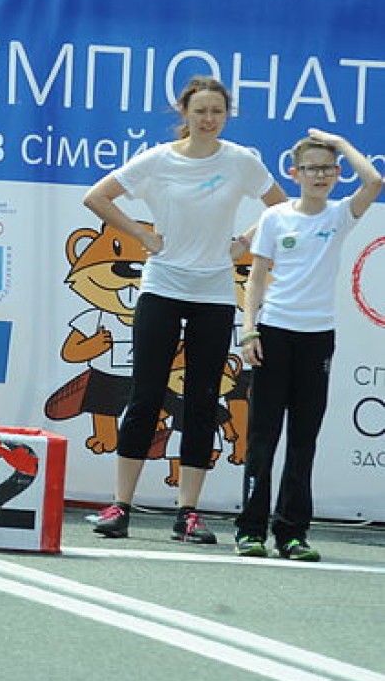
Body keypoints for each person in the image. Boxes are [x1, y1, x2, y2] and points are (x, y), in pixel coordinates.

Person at [83, 75, 285, 543]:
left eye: (217, 111)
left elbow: (280, 205)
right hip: (162, 287)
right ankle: (121, 506)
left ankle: (188, 512)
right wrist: (142, 236)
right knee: (146, 394)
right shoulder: (157, 161)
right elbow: (96, 197)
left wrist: (245, 242)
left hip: (214, 294)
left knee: (201, 400)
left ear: (226, 115)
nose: (209, 119)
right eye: (200, 112)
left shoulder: (241, 162)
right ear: (185, 115)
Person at [234, 130, 382, 561]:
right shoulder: (276, 217)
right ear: (294, 173)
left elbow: (373, 181)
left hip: (317, 339)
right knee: (262, 436)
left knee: (303, 438)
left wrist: (339, 142)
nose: (320, 175)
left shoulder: (339, 215)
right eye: (311, 168)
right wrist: (249, 330)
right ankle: (251, 530)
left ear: (337, 173)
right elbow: (257, 276)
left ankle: (292, 533)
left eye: (327, 168)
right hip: (273, 332)